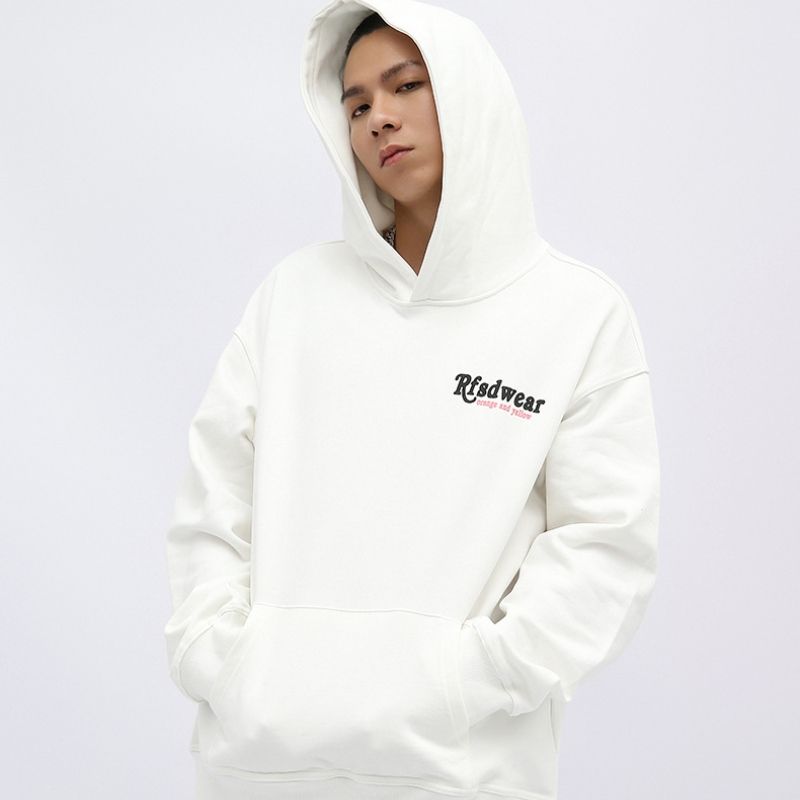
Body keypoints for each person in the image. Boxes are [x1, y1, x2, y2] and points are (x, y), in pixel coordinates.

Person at [163, 1, 661, 799]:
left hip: (462, 775)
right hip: (259, 771)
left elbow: (605, 552)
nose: (378, 119)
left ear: (470, 94)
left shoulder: (576, 316)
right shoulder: (293, 297)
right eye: (356, 103)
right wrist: (223, 663)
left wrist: (471, 680)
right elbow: (211, 514)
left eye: (406, 86)